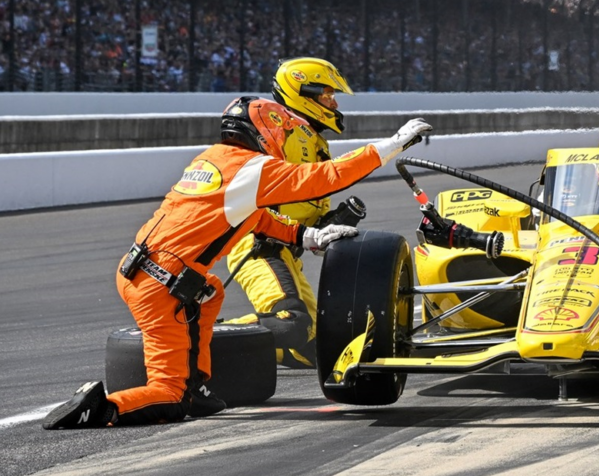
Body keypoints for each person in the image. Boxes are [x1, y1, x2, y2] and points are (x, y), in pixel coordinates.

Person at [41, 97, 432, 429]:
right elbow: (326, 177)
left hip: (145, 271)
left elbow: (253, 216)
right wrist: (393, 145)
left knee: (209, 293)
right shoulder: (254, 167)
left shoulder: (213, 160)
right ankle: (103, 407)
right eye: (284, 134)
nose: (285, 140)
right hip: (161, 288)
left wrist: (305, 236)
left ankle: (198, 386)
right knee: (169, 395)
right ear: (268, 132)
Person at [221, 57, 353, 369]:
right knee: (291, 323)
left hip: (288, 252)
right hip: (258, 244)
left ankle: (230, 352)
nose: (333, 103)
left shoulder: (315, 140)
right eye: (326, 95)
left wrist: (327, 226)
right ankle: (194, 337)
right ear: (303, 94)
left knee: (320, 352)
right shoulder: (281, 130)